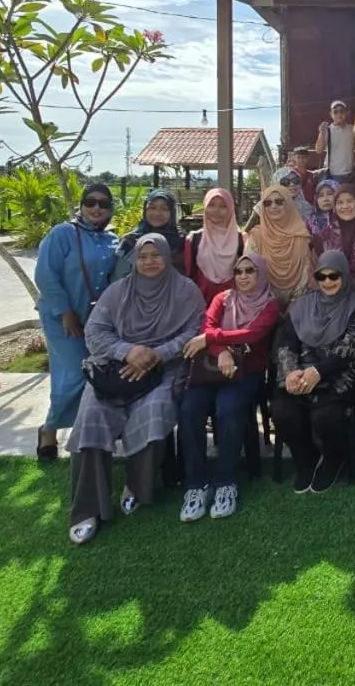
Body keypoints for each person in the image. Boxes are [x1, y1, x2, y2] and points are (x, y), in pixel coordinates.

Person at [66, 233, 205, 545]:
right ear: (134, 260)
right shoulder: (118, 292)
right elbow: (95, 332)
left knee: (155, 411)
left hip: (163, 369)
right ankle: (87, 507)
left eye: (156, 255)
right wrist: (127, 351)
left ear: (168, 256)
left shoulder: (186, 291)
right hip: (116, 369)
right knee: (91, 417)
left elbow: (195, 330)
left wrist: (157, 354)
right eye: (143, 256)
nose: (149, 262)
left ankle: (136, 486)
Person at [177, 252, 281, 522]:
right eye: (239, 271)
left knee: (228, 407)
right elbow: (207, 324)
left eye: (250, 271)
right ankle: (196, 485)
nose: (244, 276)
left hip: (248, 373)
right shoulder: (222, 299)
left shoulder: (269, 305)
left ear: (261, 273)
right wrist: (221, 351)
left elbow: (253, 334)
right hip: (210, 371)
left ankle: (226, 482)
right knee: (189, 409)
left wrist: (212, 339)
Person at [271, 250, 355, 493]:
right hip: (300, 373)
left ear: (345, 275)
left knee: (326, 416)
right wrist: (290, 373)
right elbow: (286, 342)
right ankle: (305, 461)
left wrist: (318, 372)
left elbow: (349, 349)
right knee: (284, 411)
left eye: (334, 276)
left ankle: (331, 461)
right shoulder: (303, 305)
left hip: (339, 375)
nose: (327, 281)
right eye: (322, 276)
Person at [35, 183, 118, 461]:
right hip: (62, 319)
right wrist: (65, 311)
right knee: (72, 376)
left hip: (94, 322)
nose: (96, 208)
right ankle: (48, 430)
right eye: (90, 202)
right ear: (81, 205)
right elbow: (45, 275)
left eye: (103, 204)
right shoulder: (63, 234)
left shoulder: (111, 240)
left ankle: (80, 432)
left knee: (91, 378)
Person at [245, 182, 316, 307]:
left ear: (288, 204)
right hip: (262, 303)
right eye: (268, 203)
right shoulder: (256, 236)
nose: (273, 206)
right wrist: (268, 307)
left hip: (297, 303)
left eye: (279, 201)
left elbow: (304, 276)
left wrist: (292, 308)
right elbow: (251, 273)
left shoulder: (301, 236)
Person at [184, 188, 243, 304]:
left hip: (233, 305)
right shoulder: (194, 239)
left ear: (231, 209)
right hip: (201, 303)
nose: (216, 210)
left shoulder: (241, 239)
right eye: (211, 205)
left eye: (223, 206)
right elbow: (189, 274)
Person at [112, 188, 184, 282]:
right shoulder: (129, 242)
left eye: (164, 209)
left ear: (172, 212)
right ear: (145, 210)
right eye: (152, 208)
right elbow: (119, 278)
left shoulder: (181, 243)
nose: (157, 213)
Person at [317, 100, 355, 182]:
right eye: (335, 112)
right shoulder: (327, 130)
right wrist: (321, 133)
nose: (339, 114)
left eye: (341, 111)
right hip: (332, 174)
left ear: (346, 113)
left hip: (350, 174)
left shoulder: (352, 129)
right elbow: (319, 150)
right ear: (331, 114)